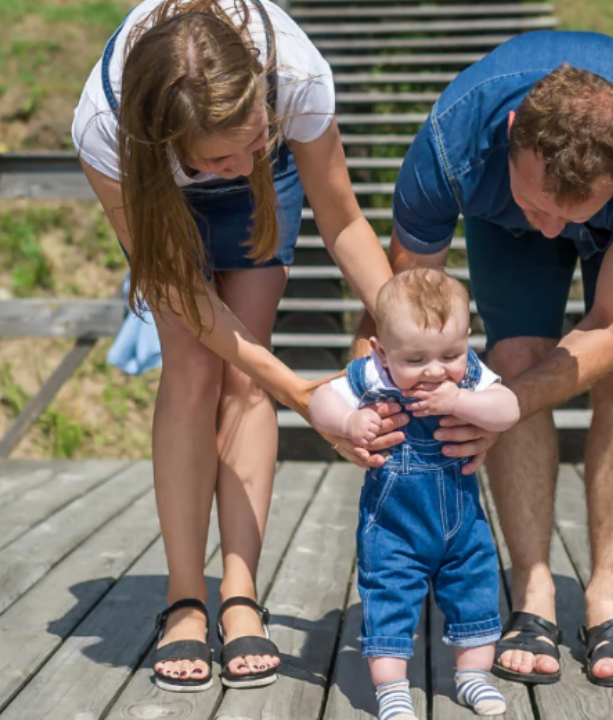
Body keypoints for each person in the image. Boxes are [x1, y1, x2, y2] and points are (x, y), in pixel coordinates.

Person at [71, 0, 404, 692]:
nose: (238, 159)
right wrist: (302, 391)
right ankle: (186, 600)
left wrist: (402, 322)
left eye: (252, 137)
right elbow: (179, 293)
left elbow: (341, 217)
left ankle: (241, 592)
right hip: (155, 189)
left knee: (247, 381)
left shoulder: (296, 77)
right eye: (221, 155)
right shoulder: (105, 125)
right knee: (193, 371)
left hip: (267, 180)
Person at [388, 30, 613, 687]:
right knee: (515, 356)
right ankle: (532, 589)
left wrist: (507, 404)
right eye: (540, 206)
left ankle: (608, 594)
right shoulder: (452, 144)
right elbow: (406, 308)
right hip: (497, 217)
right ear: (509, 134)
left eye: (573, 214)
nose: (554, 232)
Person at [309, 269, 519, 720]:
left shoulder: (470, 379)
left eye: (451, 354)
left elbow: (509, 408)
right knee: (388, 598)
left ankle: (473, 677)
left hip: (463, 524)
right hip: (393, 528)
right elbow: (320, 400)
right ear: (381, 351)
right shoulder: (370, 375)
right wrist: (347, 423)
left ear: (467, 341)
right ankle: (392, 689)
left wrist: (462, 403)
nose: (436, 370)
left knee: (476, 590)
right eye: (416, 359)